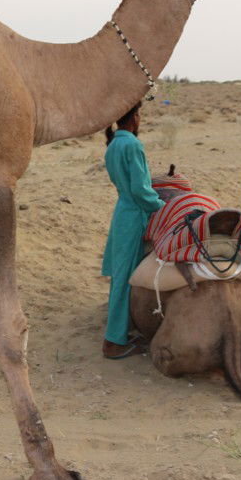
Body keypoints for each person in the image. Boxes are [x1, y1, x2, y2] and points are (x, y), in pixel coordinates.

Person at [100, 104, 164, 359]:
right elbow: (140, 189)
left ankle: (124, 328)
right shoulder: (133, 146)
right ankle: (113, 342)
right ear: (134, 117)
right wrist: (160, 205)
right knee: (125, 278)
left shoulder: (114, 143)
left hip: (123, 211)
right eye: (139, 115)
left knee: (121, 274)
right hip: (134, 213)